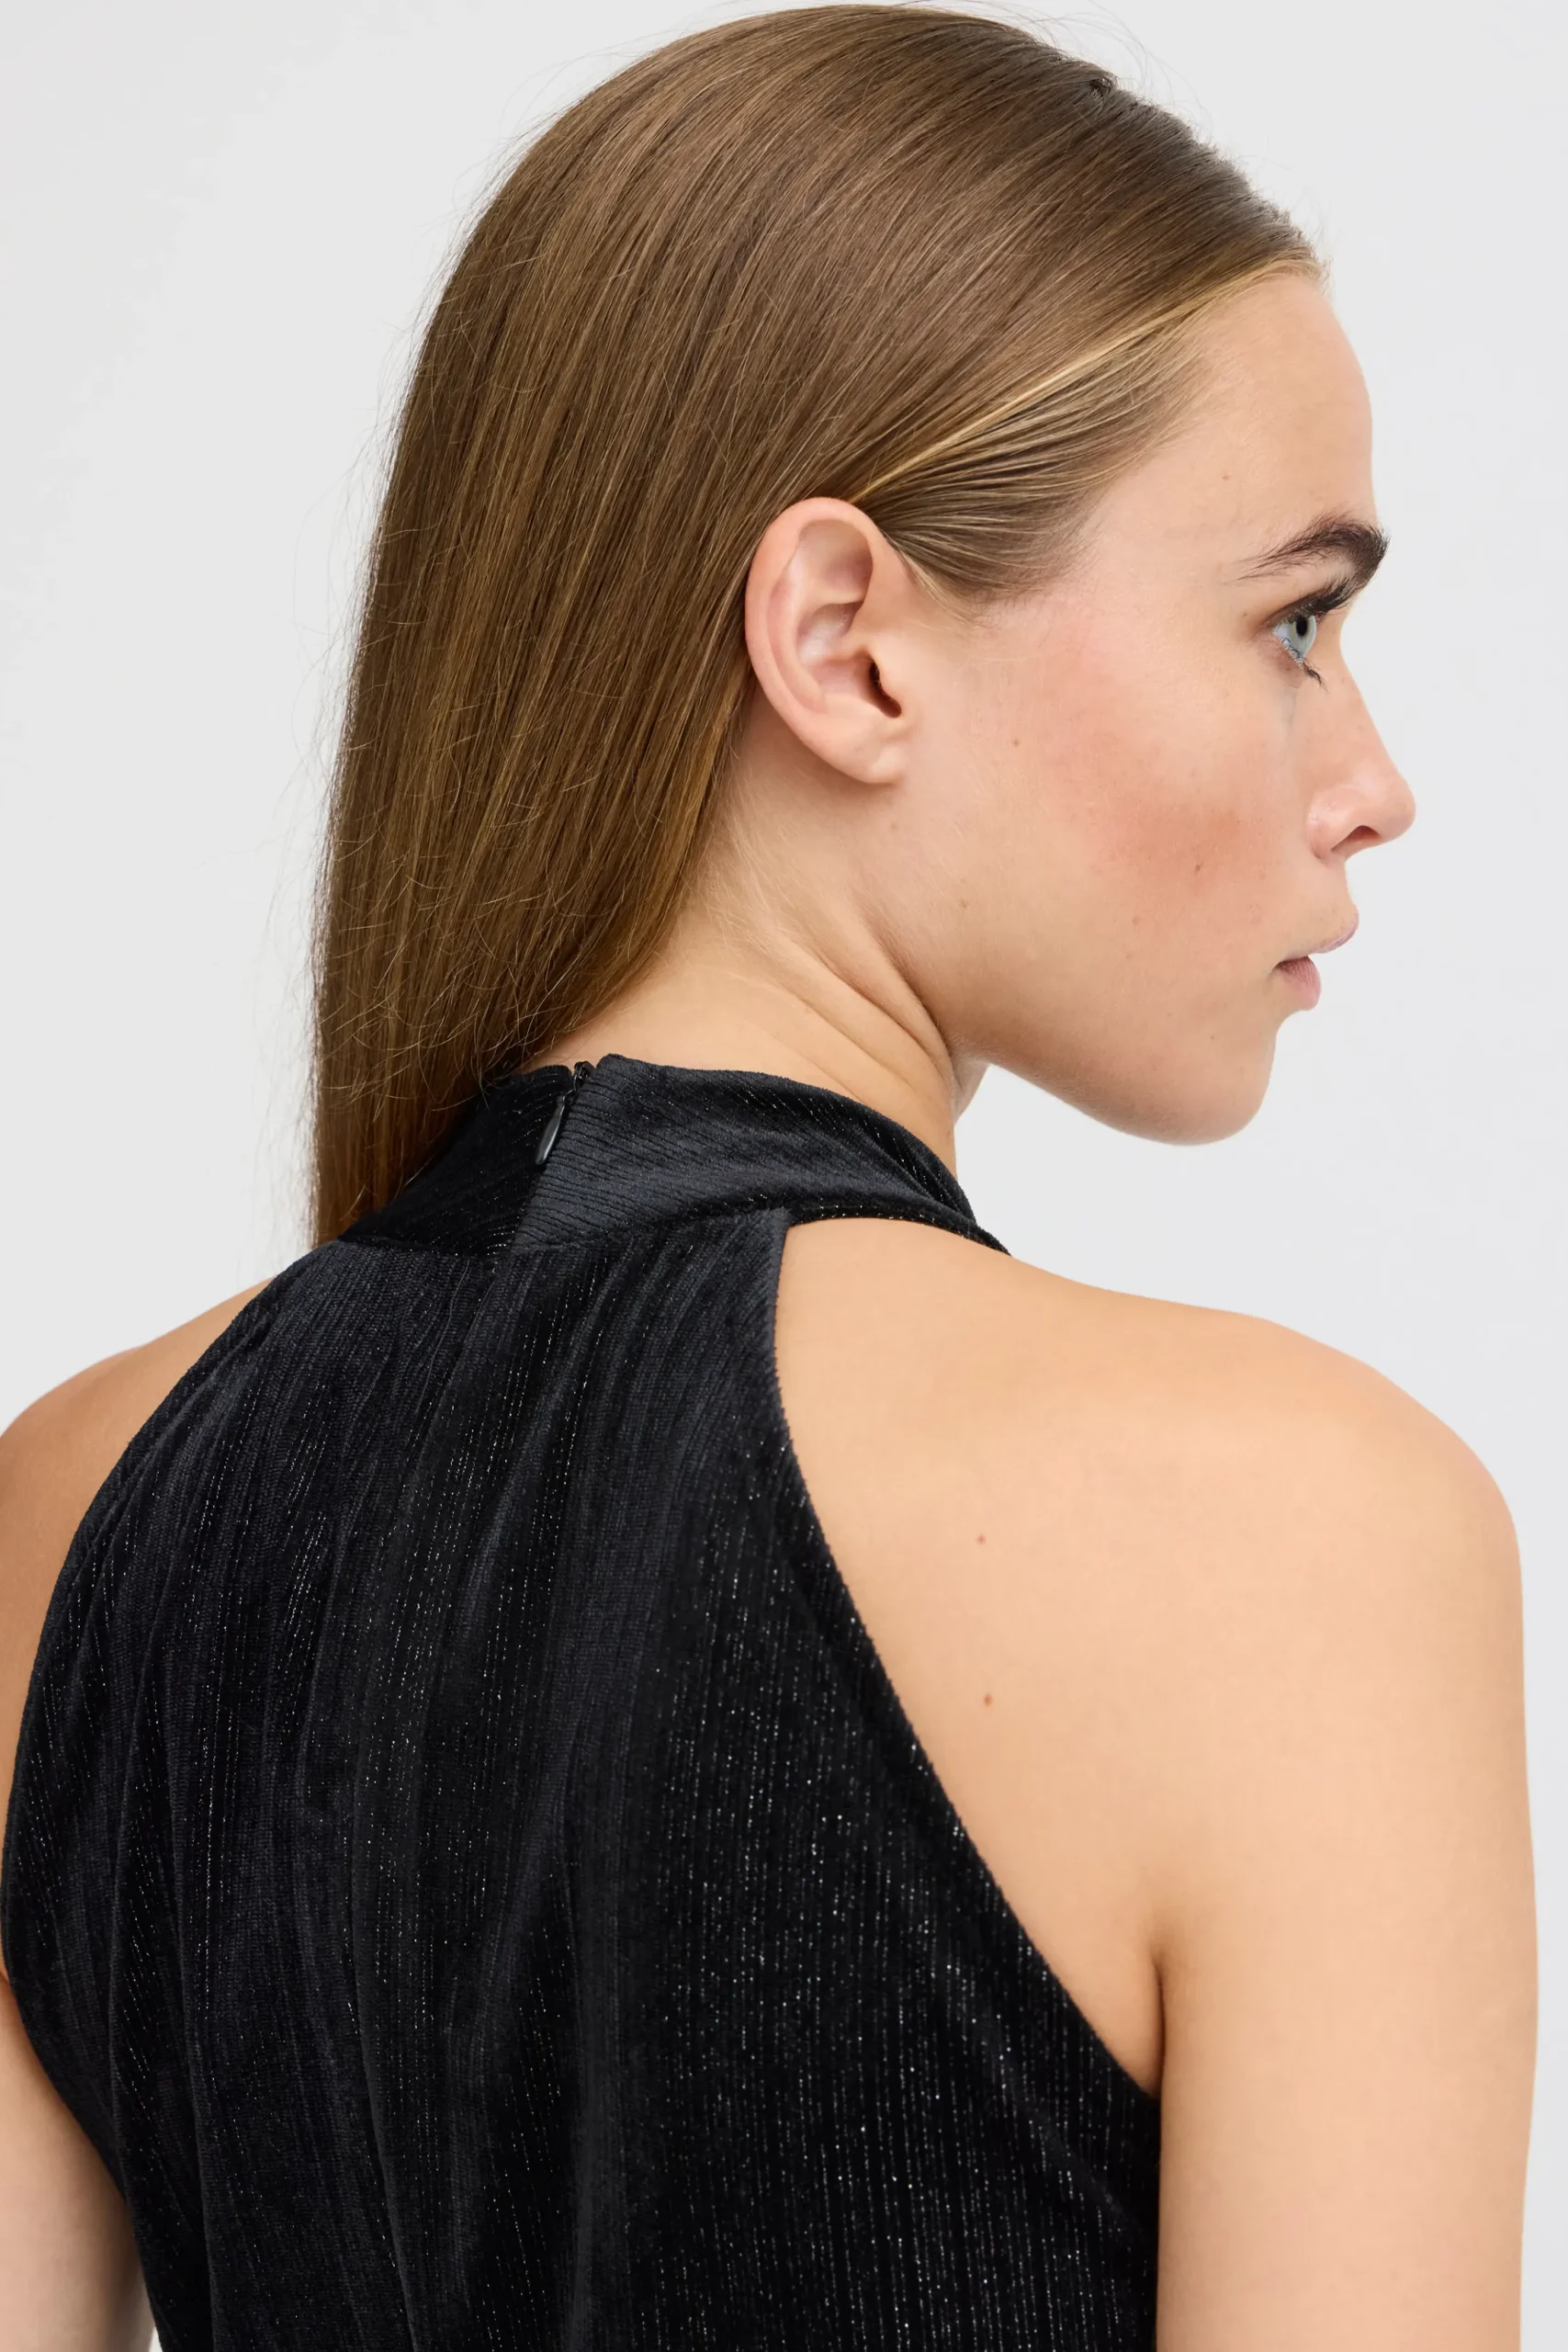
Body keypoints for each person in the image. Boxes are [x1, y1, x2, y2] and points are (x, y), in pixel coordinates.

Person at [0, 7, 1537, 2346]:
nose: (1374, 777)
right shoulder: (1294, 1528)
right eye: (1294, 622)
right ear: (846, 645)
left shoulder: (72, 1512)